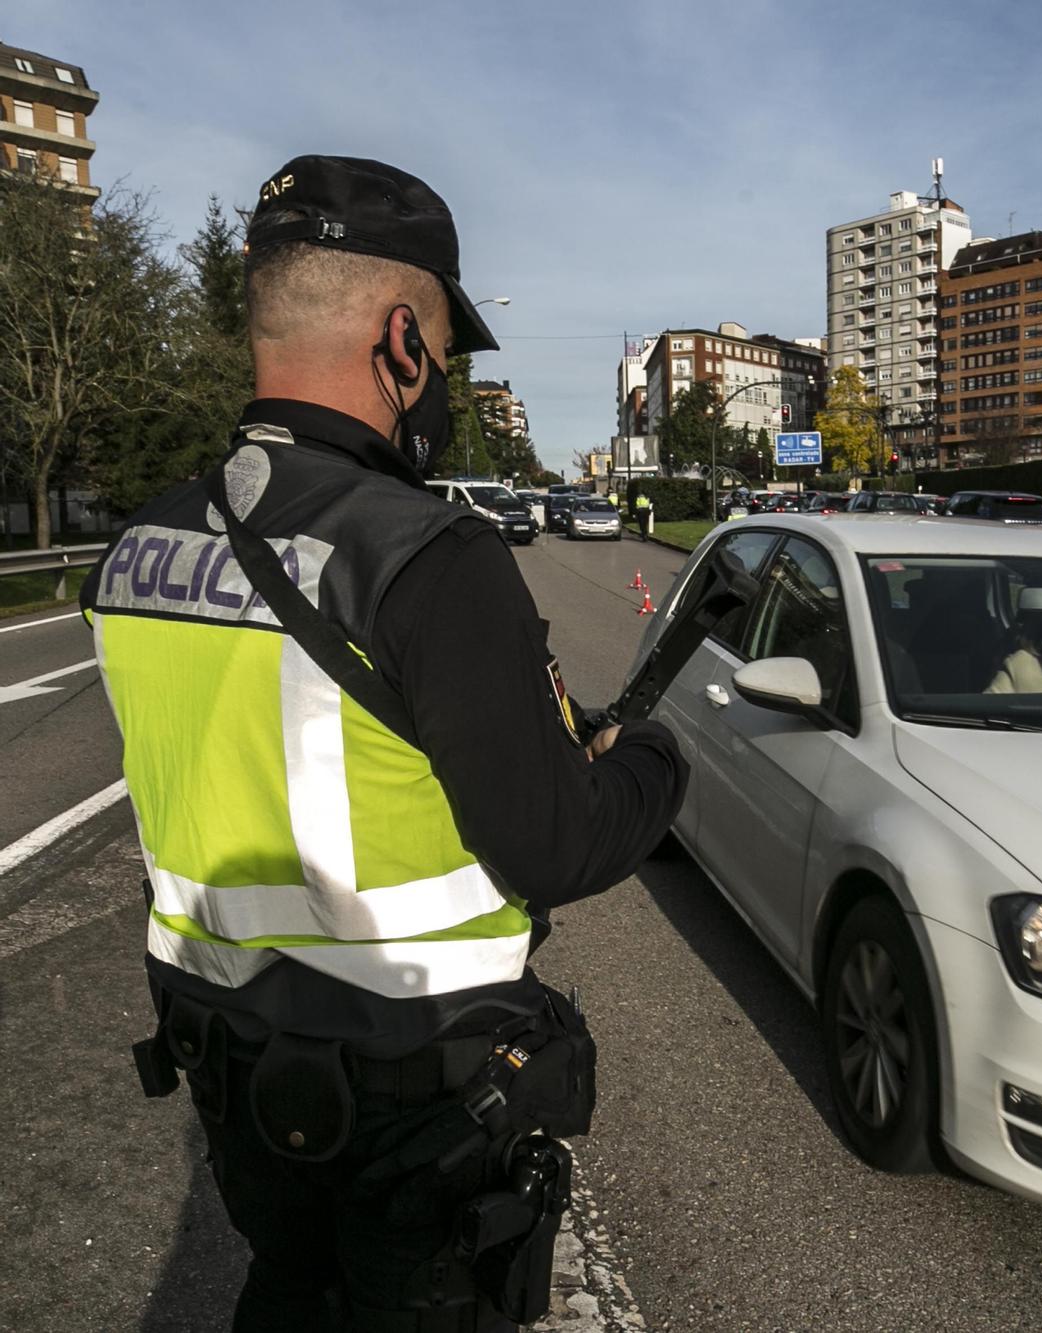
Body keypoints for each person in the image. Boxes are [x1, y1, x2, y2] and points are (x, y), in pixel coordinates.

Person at [82, 155, 687, 1331]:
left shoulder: (139, 548)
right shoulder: (425, 554)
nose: (442, 387)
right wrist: (654, 761)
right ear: (402, 340)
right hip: (412, 1090)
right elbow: (556, 845)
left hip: (228, 1061)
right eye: (446, 361)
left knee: (288, 1288)